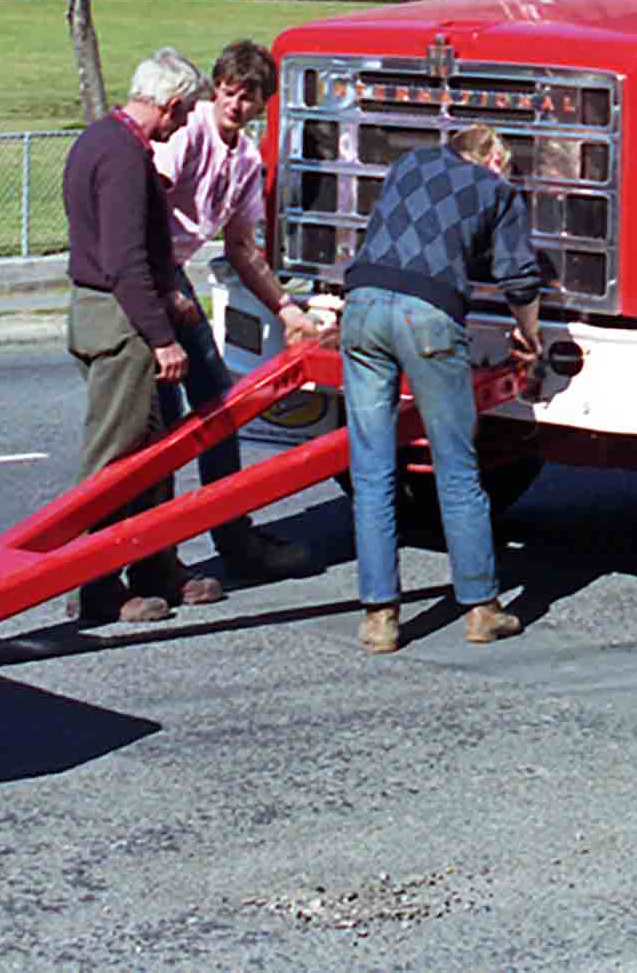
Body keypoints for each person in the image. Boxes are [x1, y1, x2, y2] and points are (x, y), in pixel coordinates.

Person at [341, 123, 545, 654]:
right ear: (493, 157)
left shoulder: (408, 164)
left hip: (361, 307)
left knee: (372, 471)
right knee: (456, 468)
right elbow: (518, 275)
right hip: (427, 318)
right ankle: (482, 609)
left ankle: (379, 619)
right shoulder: (495, 188)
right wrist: (530, 335)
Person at [152, 40, 322, 579]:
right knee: (157, 421)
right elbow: (145, 209)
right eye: (228, 92)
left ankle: (232, 533)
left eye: (248, 98)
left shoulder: (246, 158)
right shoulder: (185, 132)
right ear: (215, 89)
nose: (236, 105)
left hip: (174, 272)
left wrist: (287, 309)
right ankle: (153, 554)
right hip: (146, 272)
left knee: (218, 406)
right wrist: (164, 289)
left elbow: (242, 247)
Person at [62, 50, 220, 627]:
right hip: (120, 325)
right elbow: (123, 260)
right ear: (171, 104)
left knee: (151, 458)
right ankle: (95, 585)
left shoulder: (99, 140)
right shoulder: (125, 157)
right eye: (185, 114)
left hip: (107, 313)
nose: (183, 126)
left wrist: (168, 296)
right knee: (115, 462)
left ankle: (155, 567)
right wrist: (161, 338)